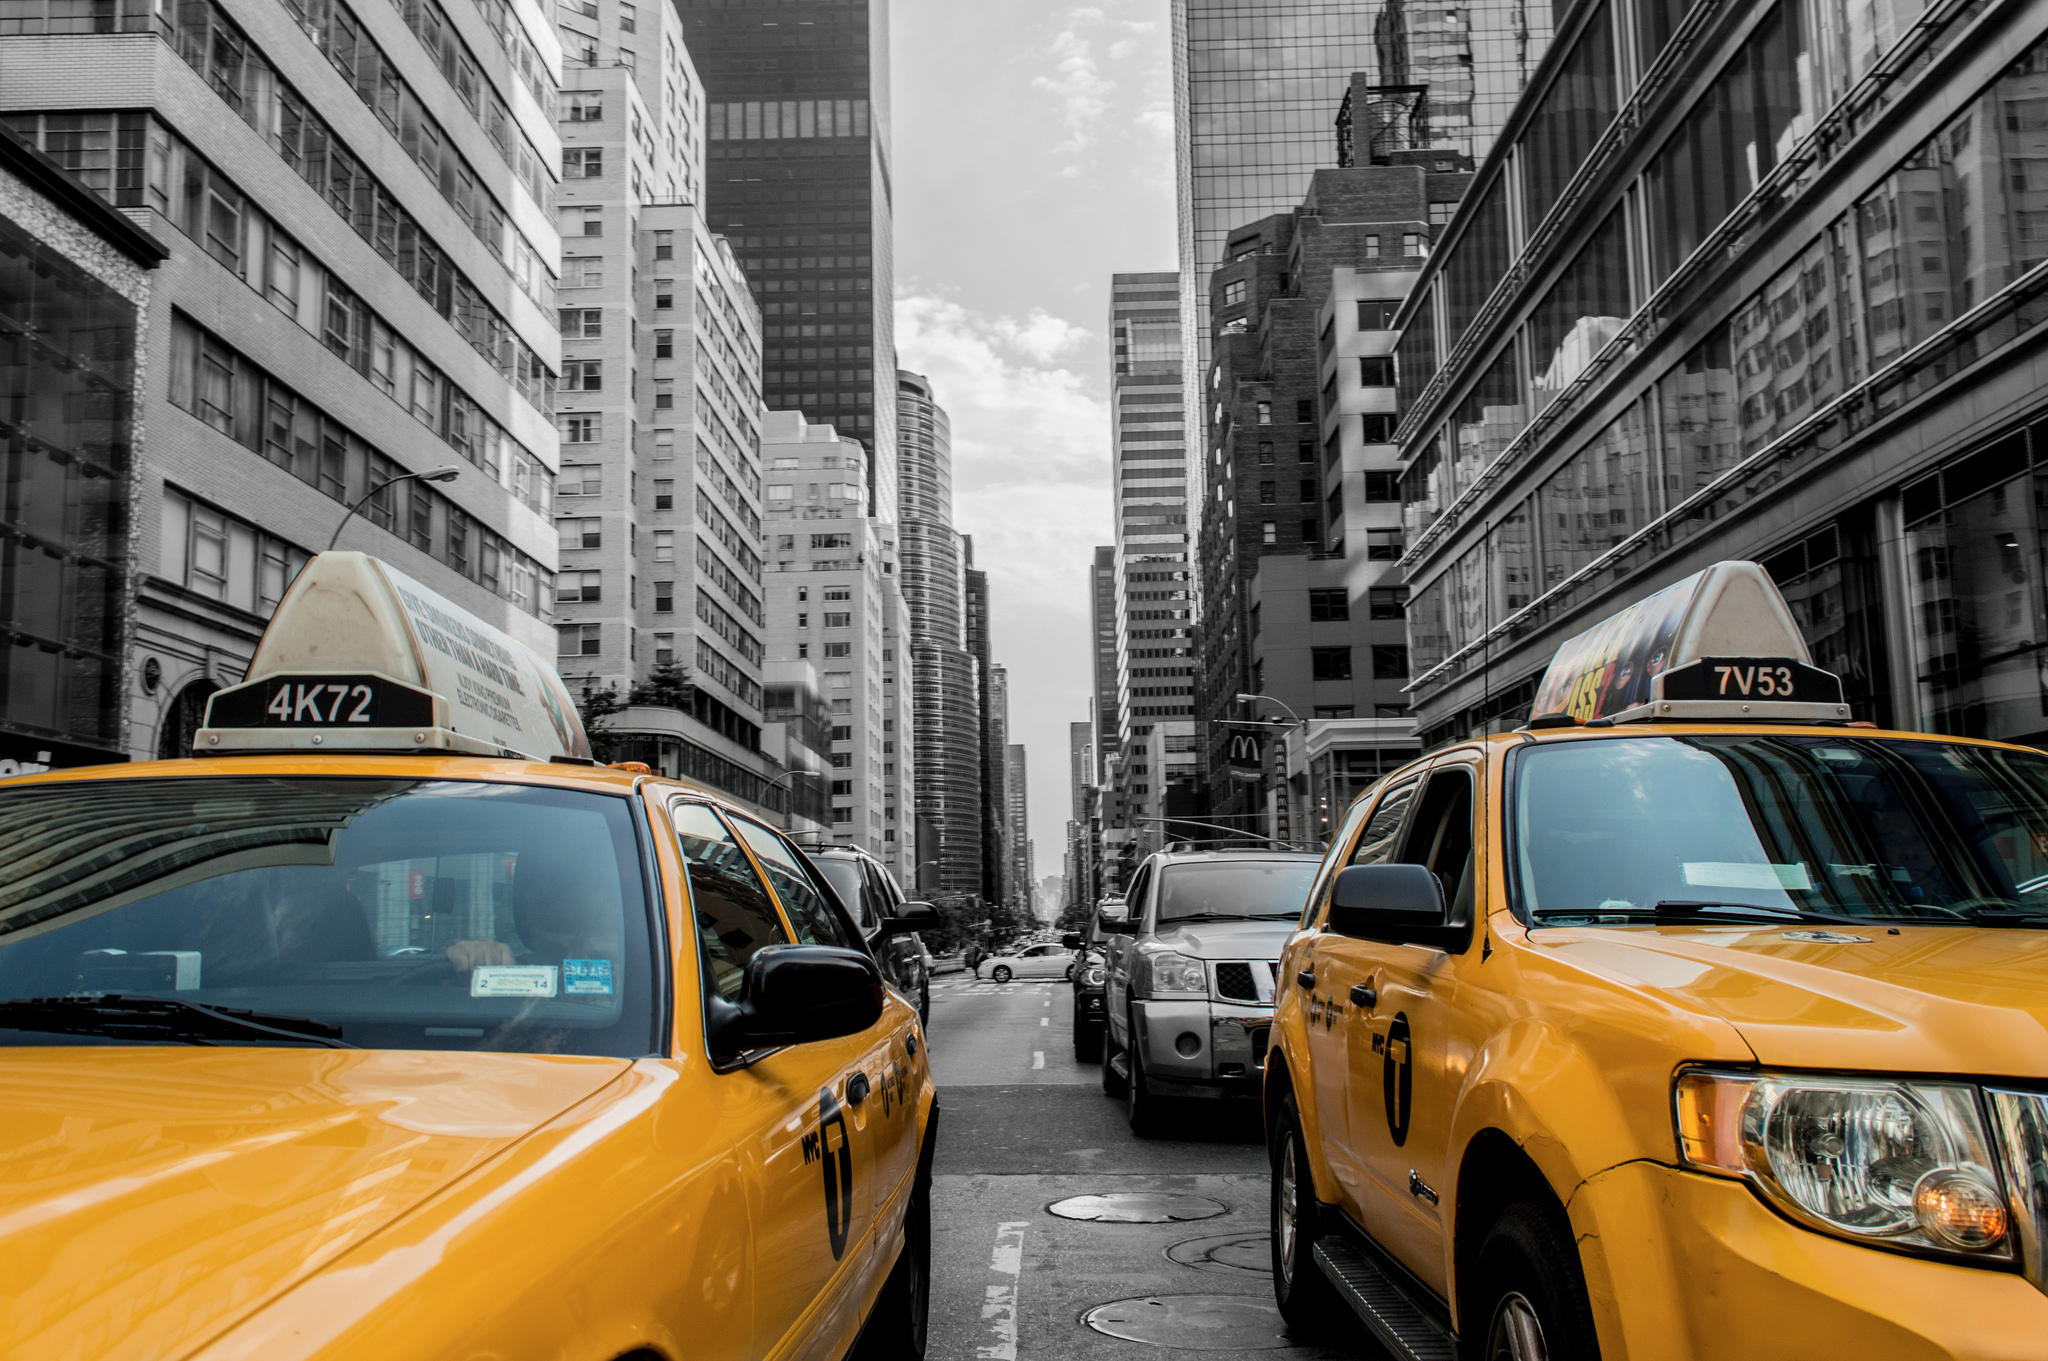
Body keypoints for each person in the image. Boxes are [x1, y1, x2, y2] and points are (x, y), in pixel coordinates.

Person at [445, 854, 622, 975]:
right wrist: (467, 954)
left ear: (601, 895)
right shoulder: (508, 962)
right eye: (527, 887)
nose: (530, 896)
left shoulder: (630, 971)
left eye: (555, 883)